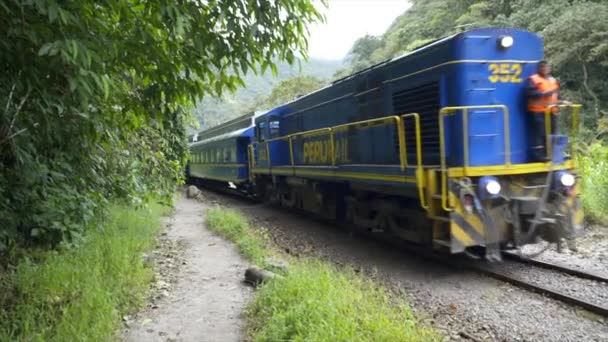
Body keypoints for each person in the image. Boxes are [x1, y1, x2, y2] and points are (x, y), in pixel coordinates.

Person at [526, 61, 570, 161]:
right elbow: (531, 93)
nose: (544, 69)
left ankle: (555, 153)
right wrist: (545, 93)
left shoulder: (553, 80)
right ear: (538, 69)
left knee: (553, 132)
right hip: (538, 112)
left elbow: (556, 95)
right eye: (542, 67)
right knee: (540, 133)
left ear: (549, 69)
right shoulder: (533, 80)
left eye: (546, 67)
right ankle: (539, 155)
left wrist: (562, 101)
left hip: (551, 111)